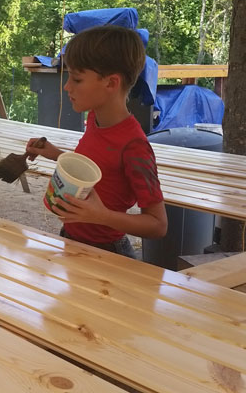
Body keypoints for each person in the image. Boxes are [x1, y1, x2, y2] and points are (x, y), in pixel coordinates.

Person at [25, 25, 167, 258]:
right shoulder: (95, 118)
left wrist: (100, 216)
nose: (67, 86)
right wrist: (53, 153)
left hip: (107, 253)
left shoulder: (134, 146)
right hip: (71, 240)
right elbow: (95, 169)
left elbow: (158, 225)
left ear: (111, 83)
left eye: (77, 79)